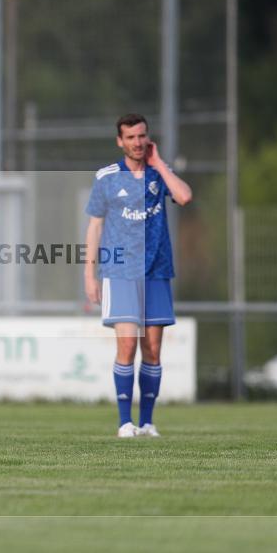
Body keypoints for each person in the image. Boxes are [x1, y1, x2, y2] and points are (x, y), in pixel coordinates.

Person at [84, 113, 192, 438]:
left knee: (154, 350)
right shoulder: (107, 177)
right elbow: (95, 226)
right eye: (130, 137)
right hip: (119, 271)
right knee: (127, 346)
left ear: (148, 137)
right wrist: (89, 274)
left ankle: (146, 422)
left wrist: (160, 163)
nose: (137, 142)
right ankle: (123, 423)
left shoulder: (159, 174)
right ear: (120, 141)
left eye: (141, 136)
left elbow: (184, 196)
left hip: (157, 270)